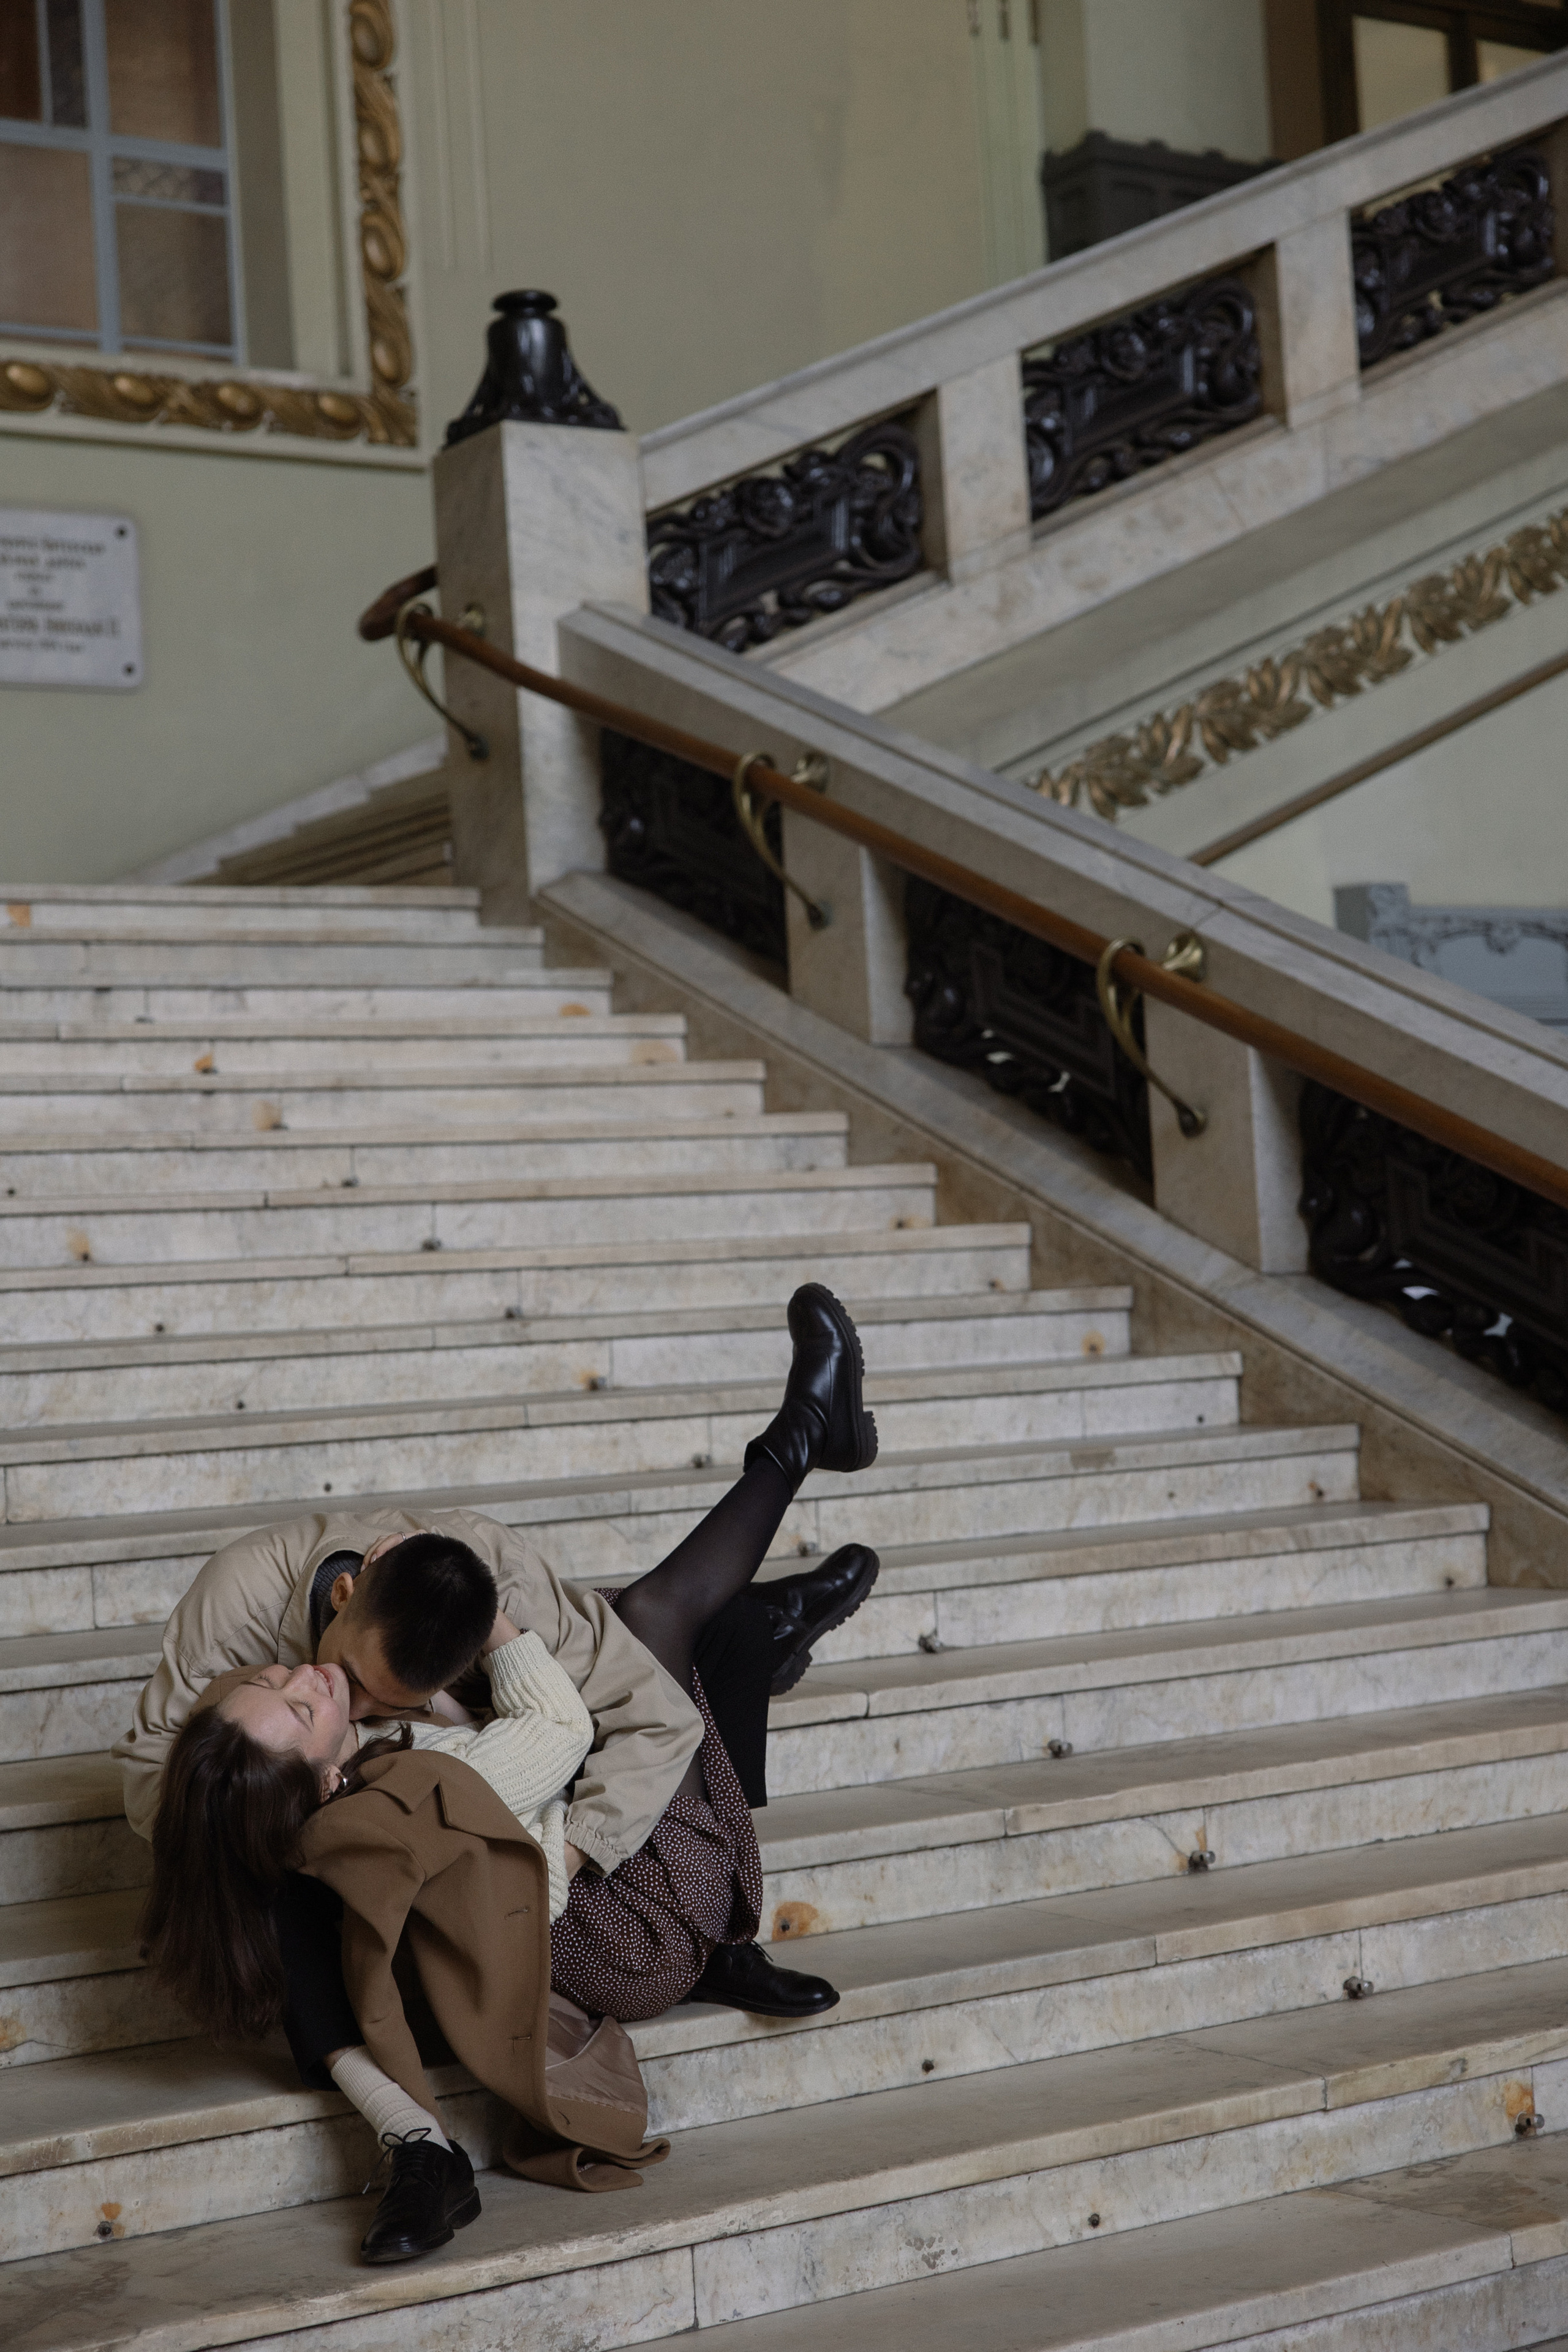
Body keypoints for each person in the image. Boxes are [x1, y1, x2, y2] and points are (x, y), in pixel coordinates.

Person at [134, 1286, 881, 2261]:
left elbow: (634, 1721)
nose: (333, 1694)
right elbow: (157, 1771)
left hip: (558, 1829)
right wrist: (251, 1809)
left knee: (657, 1626)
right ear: (341, 1599)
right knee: (673, 1626)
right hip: (437, 1817)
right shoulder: (240, 1607)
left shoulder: (494, 1581)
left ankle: (768, 1548)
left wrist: (564, 1862)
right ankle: (758, 1612)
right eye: (335, 1687)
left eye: (390, 1698)